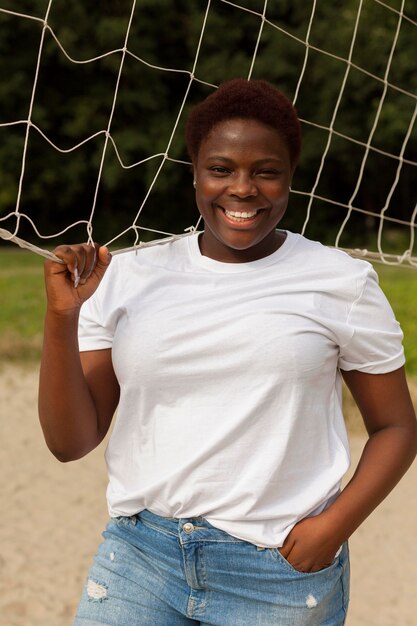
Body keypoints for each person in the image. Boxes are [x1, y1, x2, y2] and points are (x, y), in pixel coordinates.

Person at [38, 78, 417, 626]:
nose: (242, 188)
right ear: (194, 172)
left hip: (277, 567)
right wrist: (61, 317)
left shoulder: (341, 282)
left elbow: (396, 428)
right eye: (221, 169)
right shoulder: (128, 275)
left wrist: (332, 528)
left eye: (266, 171)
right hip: (142, 553)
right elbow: (70, 442)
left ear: (291, 178)